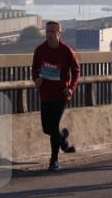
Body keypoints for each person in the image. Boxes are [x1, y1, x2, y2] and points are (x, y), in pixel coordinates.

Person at [31, 21, 80, 171]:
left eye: (53, 32)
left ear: (59, 34)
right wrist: (36, 79)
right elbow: (34, 68)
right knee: (47, 128)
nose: (49, 35)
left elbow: (76, 71)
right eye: (47, 31)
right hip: (45, 93)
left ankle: (54, 161)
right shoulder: (40, 50)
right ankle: (62, 138)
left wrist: (71, 88)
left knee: (53, 125)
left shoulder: (66, 51)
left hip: (61, 95)